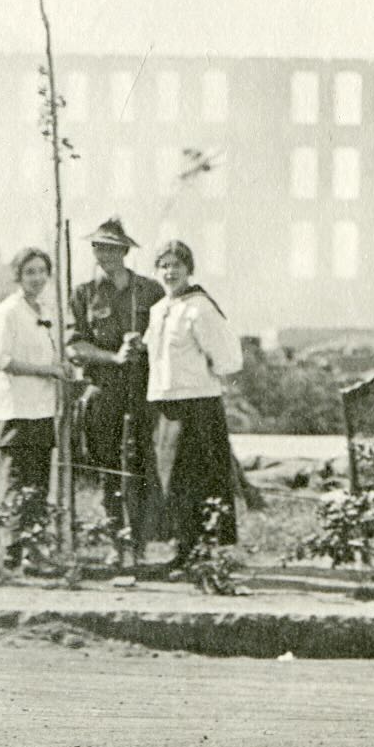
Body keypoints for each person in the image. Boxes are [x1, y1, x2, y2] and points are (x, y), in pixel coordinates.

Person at [141, 238, 243, 580]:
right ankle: (183, 550)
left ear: (189, 269)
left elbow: (228, 359)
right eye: (164, 265)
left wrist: (201, 376)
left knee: (199, 479)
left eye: (177, 265)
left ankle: (203, 553)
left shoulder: (200, 308)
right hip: (166, 405)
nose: (170, 272)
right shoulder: (159, 309)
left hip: (198, 407)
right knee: (173, 481)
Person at [67, 218, 164, 561]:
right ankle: (115, 541)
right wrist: (113, 357)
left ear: (124, 251)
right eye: (98, 247)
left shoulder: (150, 290)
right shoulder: (83, 294)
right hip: (103, 389)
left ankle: (140, 543)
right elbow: (74, 347)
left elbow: (168, 337)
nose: (103, 254)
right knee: (108, 466)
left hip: (144, 390)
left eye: (110, 248)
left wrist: (144, 345)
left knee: (144, 464)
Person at [0, 247, 67, 573]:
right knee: (15, 479)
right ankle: (12, 549)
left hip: (41, 408)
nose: (37, 278)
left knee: (38, 481)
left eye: (42, 271)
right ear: (18, 276)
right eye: (30, 272)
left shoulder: (45, 311)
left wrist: (60, 369)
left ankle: (34, 549)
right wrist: (45, 371)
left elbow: (51, 356)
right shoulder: (6, 312)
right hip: (15, 409)